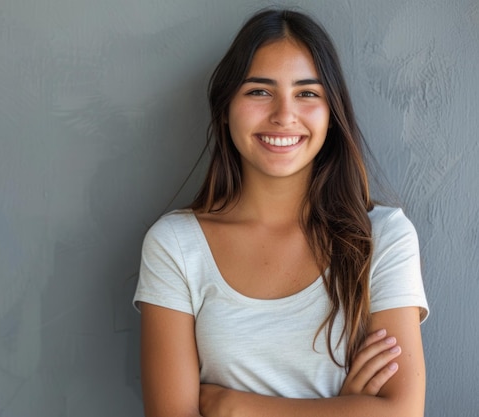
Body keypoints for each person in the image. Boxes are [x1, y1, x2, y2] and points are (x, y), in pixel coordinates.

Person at [133, 8, 429, 417]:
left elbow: (401, 412)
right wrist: (341, 408)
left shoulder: (382, 237)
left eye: (307, 93)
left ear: (332, 114)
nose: (284, 115)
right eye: (259, 91)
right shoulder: (175, 246)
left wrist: (235, 406)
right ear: (225, 108)